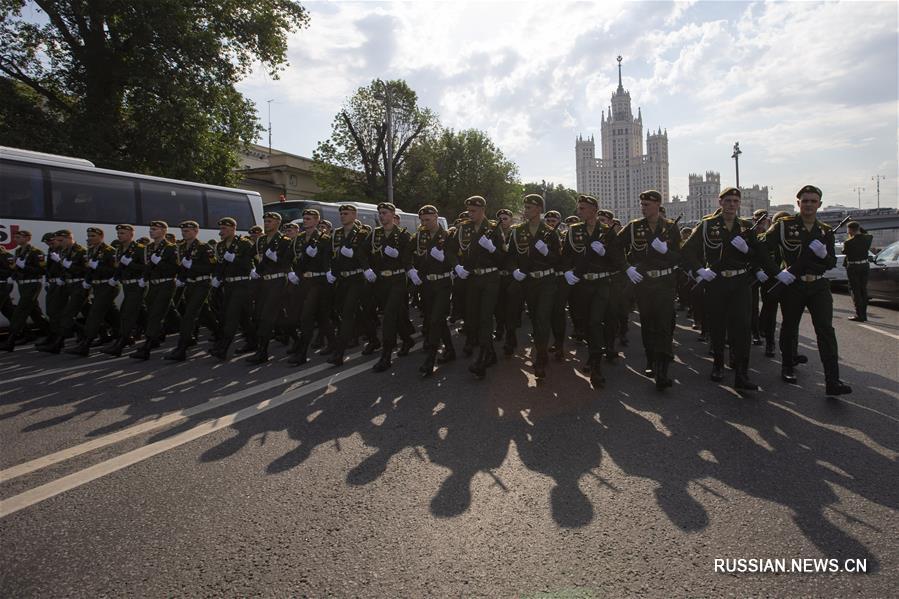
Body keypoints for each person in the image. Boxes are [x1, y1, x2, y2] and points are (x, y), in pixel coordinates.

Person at [763, 185, 850, 396]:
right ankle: (787, 366)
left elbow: (830, 262)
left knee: (826, 331)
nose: (809, 204)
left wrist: (822, 255)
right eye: (805, 201)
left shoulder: (825, 231)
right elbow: (762, 249)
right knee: (790, 326)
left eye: (813, 201)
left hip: (819, 285)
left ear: (819, 204)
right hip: (793, 284)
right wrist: (778, 273)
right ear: (798, 203)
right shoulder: (784, 226)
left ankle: (833, 380)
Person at [682, 187, 770, 390]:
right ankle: (718, 364)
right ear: (720, 202)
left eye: (735, 201)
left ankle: (742, 373)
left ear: (739, 204)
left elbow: (759, 255)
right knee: (718, 326)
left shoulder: (746, 227)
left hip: (740, 283)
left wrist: (747, 250)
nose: (732, 204)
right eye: (728, 200)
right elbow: (687, 250)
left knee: (742, 327)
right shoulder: (707, 225)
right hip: (717, 282)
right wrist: (699, 271)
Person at [616, 190, 682, 390]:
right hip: (643, 283)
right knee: (648, 323)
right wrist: (627, 268)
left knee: (663, 325)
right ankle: (650, 360)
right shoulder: (634, 227)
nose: (643, 208)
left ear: (658, 205)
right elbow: (615, 247)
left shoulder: (671, 228)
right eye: (642, 204)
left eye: (647, 205)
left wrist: (666, 252)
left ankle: (662, 370)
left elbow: (679, 257)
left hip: (664, 284)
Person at [562, 196, 625, 388]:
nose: (579, 211)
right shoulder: (573, 231)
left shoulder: (608, 232)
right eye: (578, 208)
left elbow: (618, 260)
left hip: (601, 284)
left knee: (595, 321)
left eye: (583, 208)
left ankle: (596, 366)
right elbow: (565, 257)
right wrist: (567, 272)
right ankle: (593, 354)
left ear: (594, 210)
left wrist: (605, 253)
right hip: (582, 285)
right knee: (585, 323)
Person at [447, 195, 507, 379]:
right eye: (468, 210)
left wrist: (491, 248)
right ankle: (491, 354)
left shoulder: (493, 229)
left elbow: (503, 259)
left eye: (473, 211)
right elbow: (449, 250)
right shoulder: (462, 228)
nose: (470, 214)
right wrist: (456, 266)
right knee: (472, 316)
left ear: (482, 210)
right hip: (472, 278)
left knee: (485, 317)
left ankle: (482, 358)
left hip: (490, 278)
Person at [505, 194, 561, 379]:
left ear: (538, 209)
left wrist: (547, 252)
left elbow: (558, 260)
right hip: (527, 281)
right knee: (534, 318)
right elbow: (511, 256)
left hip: (546, 282)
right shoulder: (517, 231)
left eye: (529, 207)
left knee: (542, 318)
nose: (525, 210)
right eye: (525, 207)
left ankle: (541, 355)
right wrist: (514, 270)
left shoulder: (550, 232)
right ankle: (540, 349)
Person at [409, 204, 457, 376]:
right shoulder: (418, 236)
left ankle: (430, 360)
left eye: (427, 219)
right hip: (426, 285)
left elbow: (455, 258)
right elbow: (407, 254)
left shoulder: (448, 236)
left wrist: (445, 259)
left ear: (436, 217)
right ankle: (450, 350)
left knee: (436, 318)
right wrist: (411, 269)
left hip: (443, 283)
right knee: (435, 319)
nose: (424, 223)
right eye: (421, 220)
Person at [367, 202, 415, 372]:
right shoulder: (374, 234)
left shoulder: (402, 235)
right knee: (398, 314)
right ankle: (407, 340)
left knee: (388, 317)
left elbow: (409, 258)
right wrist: (367, 268)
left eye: (385, 213)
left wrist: (399, 256)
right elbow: (363, 252)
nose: (381, 216)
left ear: (393, 215)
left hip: (397, 280)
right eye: (379, 213)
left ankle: (386, 356)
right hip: (381, 282)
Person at [286, 209, 334, 366]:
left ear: (316, 221)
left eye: (308, 218)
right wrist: (291, 272)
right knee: (321, 318)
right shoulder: (298, 239)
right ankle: (333, 343)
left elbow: (328, 260)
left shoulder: (324, 239)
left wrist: (317, 256)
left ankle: (302, 354)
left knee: (306, 317)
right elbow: (290, 259)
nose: (305, 221)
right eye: (304, 218)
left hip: (319, 282)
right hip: (303, 282)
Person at [164, 221, 217, 361]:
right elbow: (182, 267)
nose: (184, 233)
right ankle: (220, 333)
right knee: (204, 314)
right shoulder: (181, 247)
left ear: (195, 231)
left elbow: (212, 268)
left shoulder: (204, 247)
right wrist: (180, 278)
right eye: (183, 231)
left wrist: (193, 266)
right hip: (190, 285)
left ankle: (181, 349)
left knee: (189, 315)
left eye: (187, 231)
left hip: (202, 284)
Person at [327, 204, 373, 366]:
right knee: (355, 312)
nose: (342, 216)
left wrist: (356, 258)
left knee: (347, 313)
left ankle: (339, 354)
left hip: (358, 278)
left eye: (346, 213)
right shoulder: (337, 234)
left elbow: (366, 253)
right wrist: (332, 271)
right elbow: (333, 256)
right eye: (341, 213)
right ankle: (373, 339)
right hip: (343, 279)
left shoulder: (362, 233)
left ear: (354, 215)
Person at [245, 212, 293, 364]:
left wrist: (277, 259)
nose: (266, 223)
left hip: (278, 281)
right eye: (265, 221)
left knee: (266, 316)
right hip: (263, 282)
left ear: (278, 223)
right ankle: (296, 338)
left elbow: (288, 262)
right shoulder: (261, 241)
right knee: (271, 316)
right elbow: (248, 256)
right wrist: (253, 269)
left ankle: (262, 352)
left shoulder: (284, 241)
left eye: (270, 221)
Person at [64, 227, 119, 356]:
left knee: (95, 314)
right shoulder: (90, 251)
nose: (90, 238)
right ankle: (125, 336)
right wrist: (88, 281)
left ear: (101, 236)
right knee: (112, 315)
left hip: (108, 285)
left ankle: (85, 345)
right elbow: (88, 270)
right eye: (89, 236)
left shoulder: (109, 251)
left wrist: (98, 267)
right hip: (97, 286)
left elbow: (114, 271)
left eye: (93, 236)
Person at [208, 217, 257, 360]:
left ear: (233, 228)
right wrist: (216, 277)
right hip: (228, 285)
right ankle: (253, 341)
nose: (221, 231)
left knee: (231, 316)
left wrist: (234, 259)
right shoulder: (220, 246)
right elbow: (220, 265)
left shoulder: (244, 244)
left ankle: (222, 349)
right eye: (221, 228)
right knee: (243, 318)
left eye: (224, 228)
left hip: (242, 285)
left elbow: (249, 266)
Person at [131, 221, 179, 360]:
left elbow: (175, 269)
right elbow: (148, 266)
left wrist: (161, 263)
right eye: (150, 229)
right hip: (153, 285)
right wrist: (144, 278)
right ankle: (187, 334)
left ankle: (146, 347)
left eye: (155, 229)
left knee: (155, 314)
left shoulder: (171, 248)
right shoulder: (149, 247)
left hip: (166, 284)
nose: (151, 232)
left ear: (163, 231)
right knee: (159, 312)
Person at [38, 229, 88, 353]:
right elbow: (60, 269)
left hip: (79, 285)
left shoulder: (80, 251)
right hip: (65, 283)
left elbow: (83, 270)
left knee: (68, 314)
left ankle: (60, 342)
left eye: (60, 240)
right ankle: (65, 338)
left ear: (69, 238)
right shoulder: (63, 251)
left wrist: (63, 263)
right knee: (57, 312)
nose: (58, 243)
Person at [102, 225, 146, 356]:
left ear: (131, 235)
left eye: (122, 233)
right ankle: (155, 333)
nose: (119, 235)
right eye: (118, 233)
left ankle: (120, 344)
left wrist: (130, 264)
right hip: (126, 285)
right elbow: (119, 267)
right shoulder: (119, 249)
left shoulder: (140, 249)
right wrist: (115, 277)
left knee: (127, 314)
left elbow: (146, 267)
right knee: (136, 313)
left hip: (137, 285)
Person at [1, 230, 48, 351]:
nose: (16, 239)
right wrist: (13, 276)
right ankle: (53, 334)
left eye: (18, 237)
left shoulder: (36, 252)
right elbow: (16, 269)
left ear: (27, 238)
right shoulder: (17, 251)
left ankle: (10, 341)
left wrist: (24, 266)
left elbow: (42, 271)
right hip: (22, 285)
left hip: (32, 284)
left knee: (20, 311)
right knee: (35, 314)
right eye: (15, 237)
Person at [843, 221, 873, 322]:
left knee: (855, 291)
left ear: (850, 230)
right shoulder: (868, 238)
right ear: (859, 228)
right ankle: (863, 314)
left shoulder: (848, 242)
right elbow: (866, 233)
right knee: (863, 290)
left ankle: (859, 315)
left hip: (853, 267)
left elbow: (844, 251)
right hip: (865, 266)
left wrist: (850, 236)